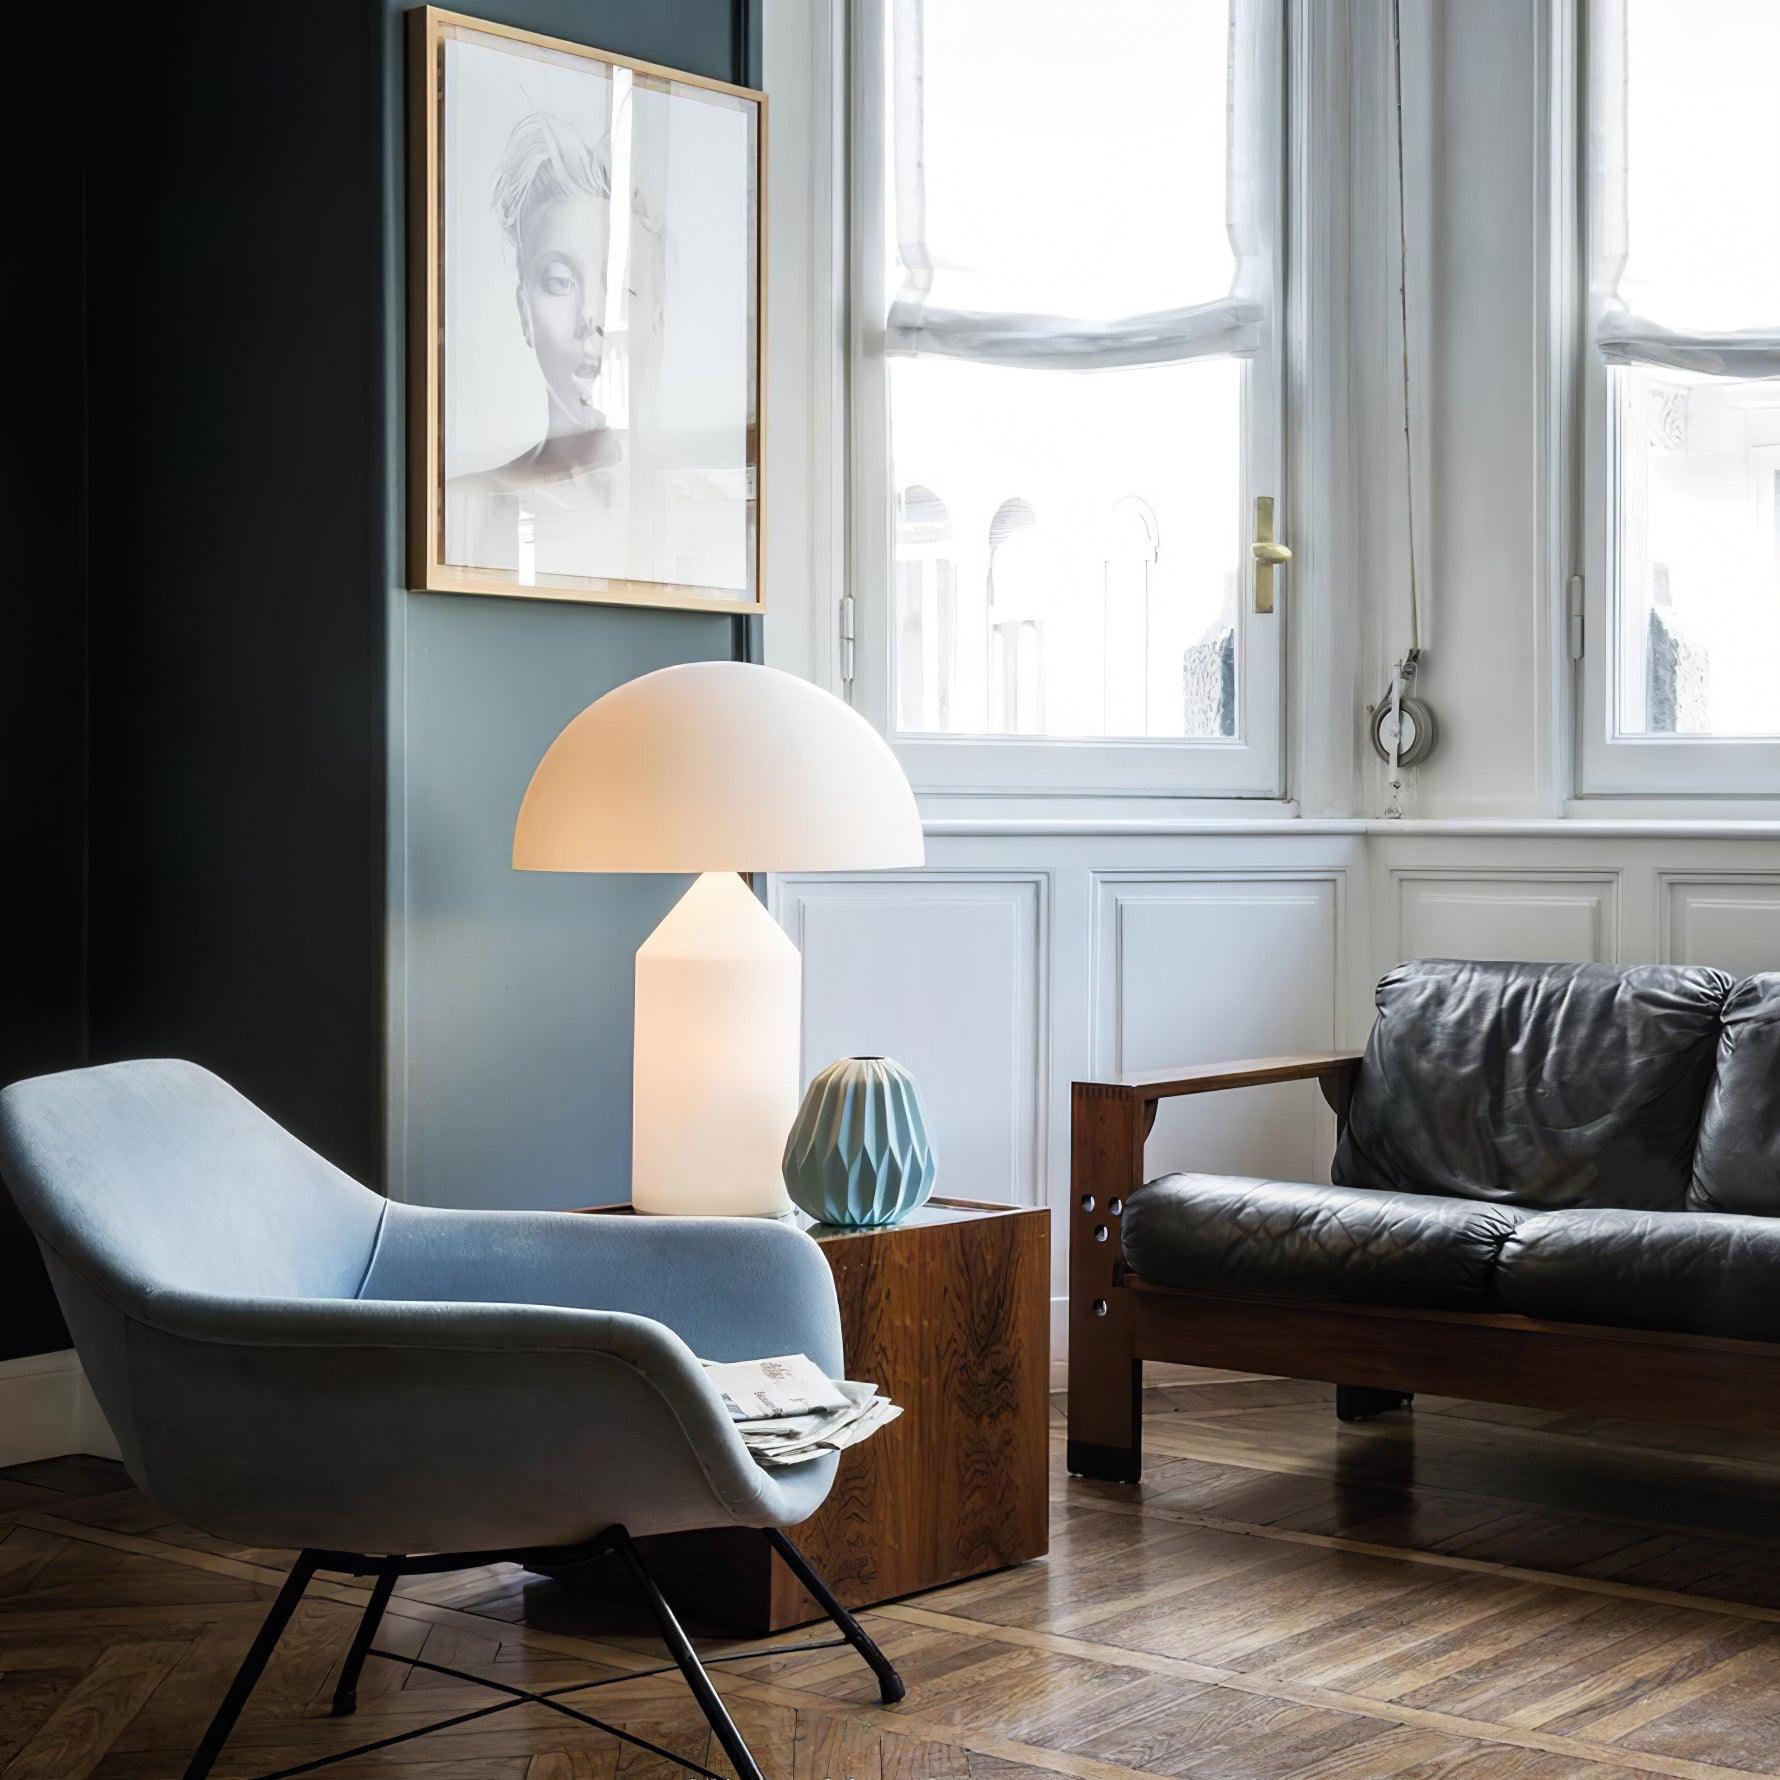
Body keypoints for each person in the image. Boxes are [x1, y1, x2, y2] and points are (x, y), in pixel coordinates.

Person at [446, 110, 650, 581]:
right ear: (524, 312)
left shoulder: (696, 509)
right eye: (560, 281)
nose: (591, 318)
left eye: (619, 287)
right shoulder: (466, 511)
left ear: (653, 313)